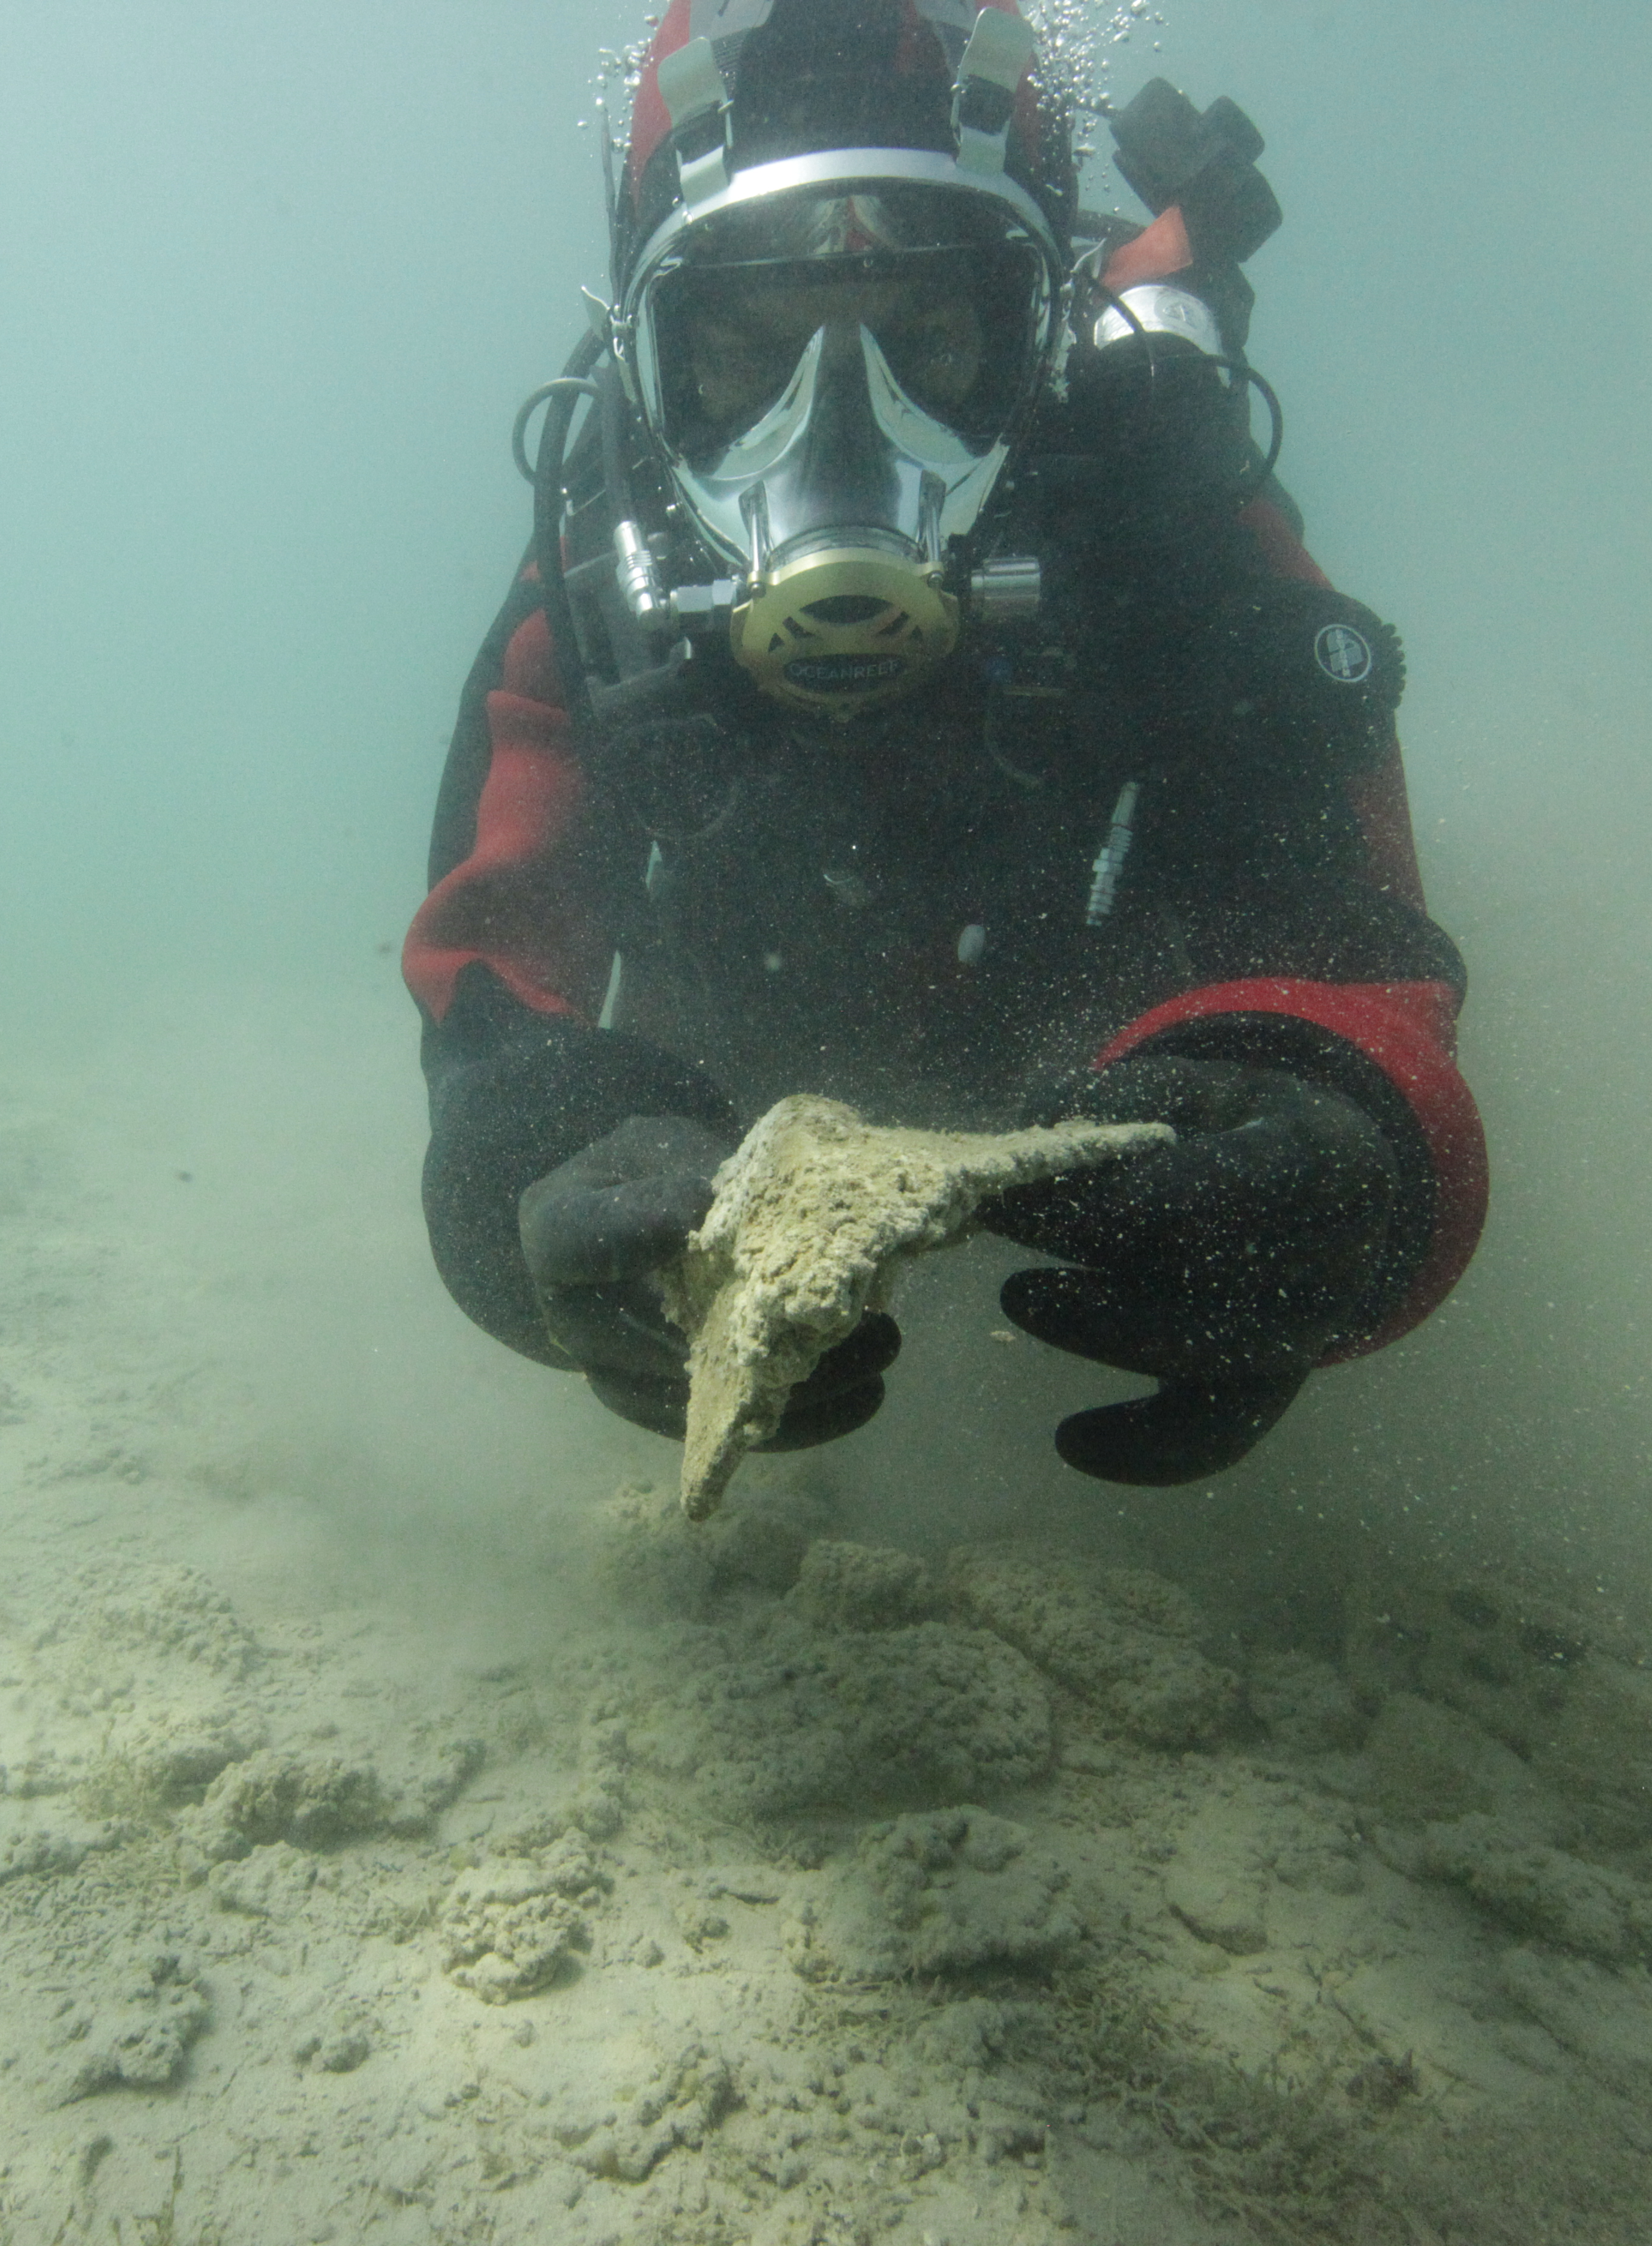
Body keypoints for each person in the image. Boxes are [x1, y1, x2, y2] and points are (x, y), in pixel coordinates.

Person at [401, 0, 1486, 1487]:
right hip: (716, 1114)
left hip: (1123, 1080)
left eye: (931, 338)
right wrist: (533, 1158)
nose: (839, 437)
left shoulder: (1156, 484)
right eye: (741, 355)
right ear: (647, 365)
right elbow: (496, 959)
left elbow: (1337, 921)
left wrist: (1330, 1146)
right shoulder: (606, 560)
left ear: (1040, 335)